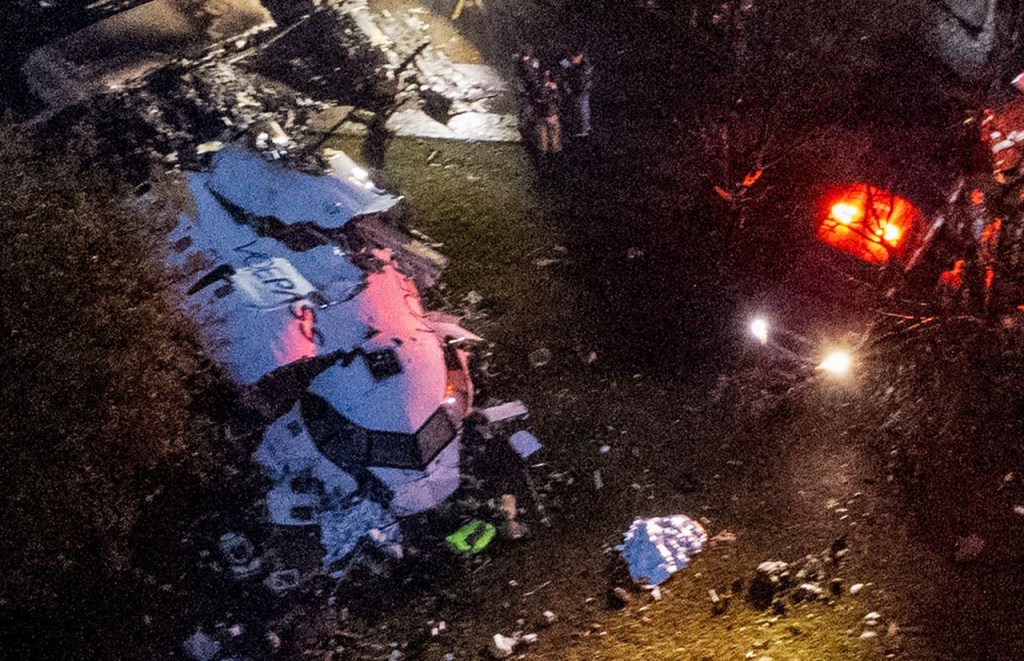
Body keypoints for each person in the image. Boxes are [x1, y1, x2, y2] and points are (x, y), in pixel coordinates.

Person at [558, 50, 593, 137]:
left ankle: (584, 128)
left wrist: (577, 92)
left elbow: (581, 81)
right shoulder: (581, 65)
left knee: (582, 109)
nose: (572, 60)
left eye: (573, 58)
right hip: (581, 90)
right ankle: (585, 127)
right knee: (583, 108)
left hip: (581, 91)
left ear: (579, 57)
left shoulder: (583, 68)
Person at [532, 70, 562, 163]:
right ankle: (555, 156)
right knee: (554, 136)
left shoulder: (537, 90)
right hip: (551, 116)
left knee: (542, 137)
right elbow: (557, 102)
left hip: (542, 116)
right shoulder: (552, 93)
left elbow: (536, 103)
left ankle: (543, 156)